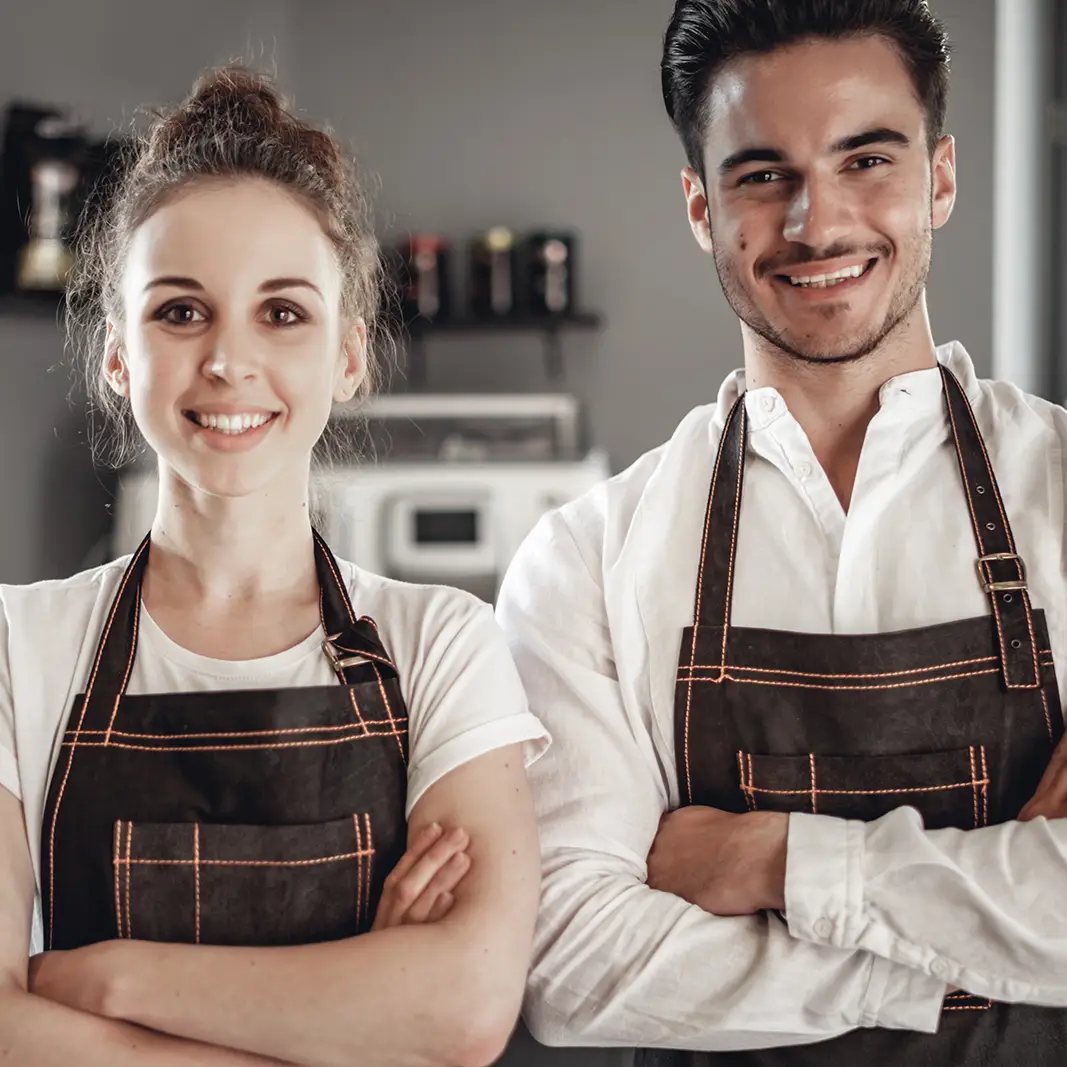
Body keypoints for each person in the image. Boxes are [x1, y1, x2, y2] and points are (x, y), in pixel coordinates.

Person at [496, 1, 1067, 1063]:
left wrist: (776, 864)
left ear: (938, 176)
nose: (815, 222)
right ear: (698, 207)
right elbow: (573, 966)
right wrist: (982, 945)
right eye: (762, 174)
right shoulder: (584, 558)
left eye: (865, 159)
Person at [0, 66, 548, 1067]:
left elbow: (464, 1009)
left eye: (282, 313)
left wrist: (107, 979)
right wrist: (352, 1013)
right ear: (119, 353)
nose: (228, 359)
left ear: (349, 356)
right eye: (180, 311)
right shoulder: (15, 646)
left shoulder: (440, 648)